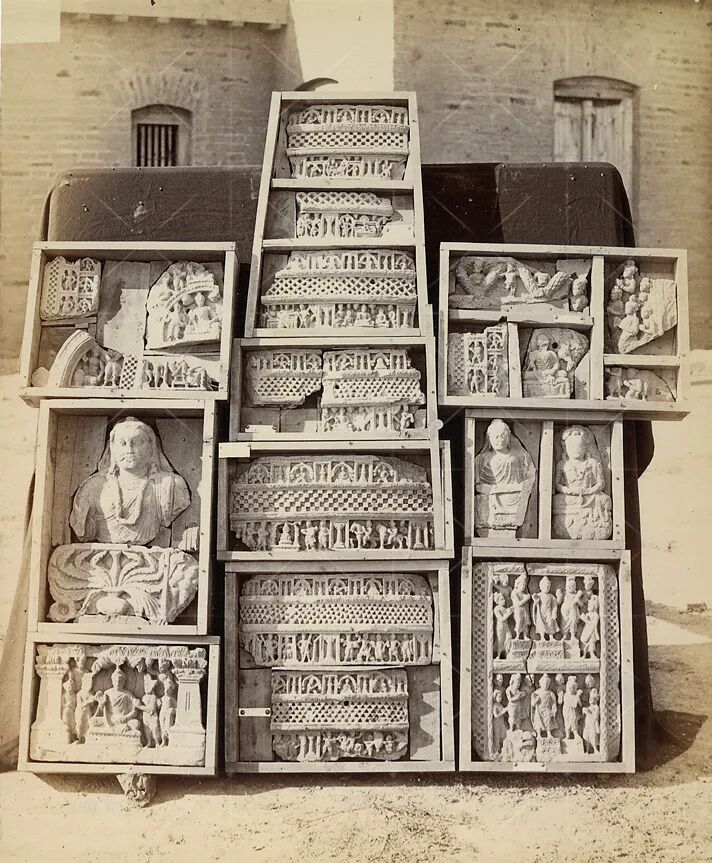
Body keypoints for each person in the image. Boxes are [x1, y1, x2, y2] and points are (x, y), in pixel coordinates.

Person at [69, 417, 191, 546]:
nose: (129, 450)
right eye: (122, 443)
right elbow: (82, 530)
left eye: (138, 442)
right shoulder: (93, 487)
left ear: (151, 447)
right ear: (113, 448)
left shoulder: (171, 485)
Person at [474, 419, 536, 534]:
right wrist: (495, 489)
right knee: (482, 500)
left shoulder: (519, 456)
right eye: (496, 437)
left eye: (503, 436)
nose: (500, 440)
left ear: (509, 437)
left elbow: (530, 476)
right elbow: (477, 486)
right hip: (491, 496)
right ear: (489, 438)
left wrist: (521, 488)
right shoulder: (481, 458)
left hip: (512, 496)